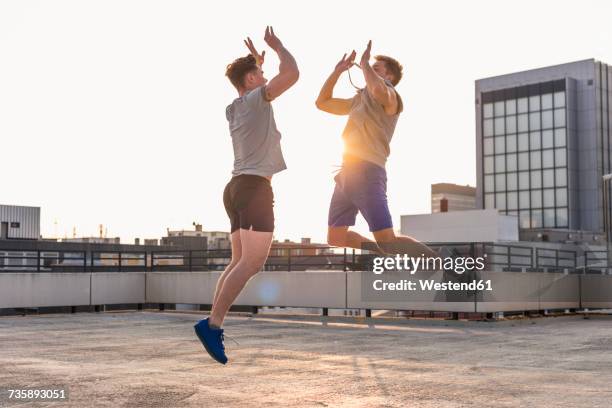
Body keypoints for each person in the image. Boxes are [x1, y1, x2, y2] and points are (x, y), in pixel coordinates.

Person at [194, 26, 299, 365]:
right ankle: (213, 324)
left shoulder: (234, 107)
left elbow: (252, 82)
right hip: (254, 188)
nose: (266, 78)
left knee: (239, 262)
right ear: (252, 80)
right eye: (261, 74)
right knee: (252, 263)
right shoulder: (257, 97)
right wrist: (278, 46)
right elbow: (293, 73)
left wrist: (253, 62)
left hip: (236, 188)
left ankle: (213, 322)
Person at [315, 41, 437, 258]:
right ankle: (381, 252)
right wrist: (337, 72)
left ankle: (443, 267)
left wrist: (364, 63)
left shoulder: (391, 97)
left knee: (387, 240)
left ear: (389, 77)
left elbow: (379, 90)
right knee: (335, 238)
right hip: (345, 173)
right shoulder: (358, 100)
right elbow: (322, 103)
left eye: (376, 68)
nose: (367, 70)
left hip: (368, 171)